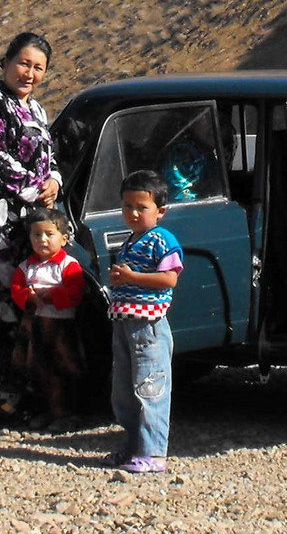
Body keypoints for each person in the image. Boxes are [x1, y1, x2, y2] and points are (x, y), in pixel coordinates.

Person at [0, 31, 61, 420]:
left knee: (25, 304)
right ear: (5, 62)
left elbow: (49, 156)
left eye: (39, 68)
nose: (29, 73)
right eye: (23, 63)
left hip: (29, 224)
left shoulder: (37, 111)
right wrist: (36, 188)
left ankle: (21, 389)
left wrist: (54, 180)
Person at [105, 169, 184, 475]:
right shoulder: (132, 240)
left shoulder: (162, 240)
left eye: (141, 207)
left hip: (148, 327)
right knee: (123, 390)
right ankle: (133, 445)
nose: (133, 213)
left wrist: (131, 277)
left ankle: (154, 453)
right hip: (125, 322)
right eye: (127, 206)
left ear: (160, 211)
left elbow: (169, 279)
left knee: (150, 388)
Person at [9, 207, 86, 430]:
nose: (42, 240)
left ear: (63, 239)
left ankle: (65, 414)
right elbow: (16, 289)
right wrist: (29, 297)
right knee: (37, 369)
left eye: (49, 234)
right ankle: (43, 411)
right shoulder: (26, 267)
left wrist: (51, 295)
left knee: (62, 368)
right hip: (34, 326)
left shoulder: (68, 265)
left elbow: (75, 293)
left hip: (61, 327)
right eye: (36, 235)